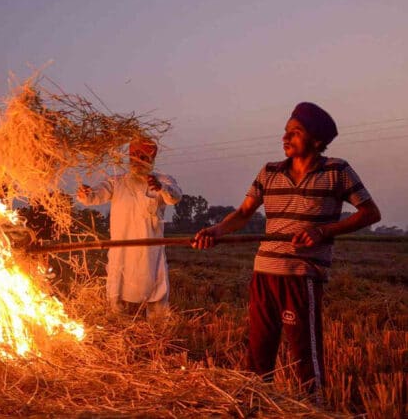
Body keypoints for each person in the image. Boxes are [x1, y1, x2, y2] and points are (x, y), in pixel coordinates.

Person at [192, 102, 381, 396]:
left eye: (296, 132)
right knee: (258, 352)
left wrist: (322, 232)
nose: (286, 138)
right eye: (285, 132)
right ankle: (255, 404)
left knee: (305, 353)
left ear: (317, 141)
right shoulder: (269, 172)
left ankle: (313, 406)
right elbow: (243, 213)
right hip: (264, 272)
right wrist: (215, 231)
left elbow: (370, 213)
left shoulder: (337, 171)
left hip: (302, 274)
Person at [77, 137, 182, 316]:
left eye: (142, 155)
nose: (136, 159)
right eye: (133, 155)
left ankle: (158, 335)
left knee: (157, 296)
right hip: (121, 249)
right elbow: (93, 196)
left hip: (150, 254)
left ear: (151, 158)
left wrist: (161, 188)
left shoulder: (163, 180)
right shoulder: (116, 182)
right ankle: (118, 332)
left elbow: (174, 197)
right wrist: (86, 193)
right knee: (117, 297)